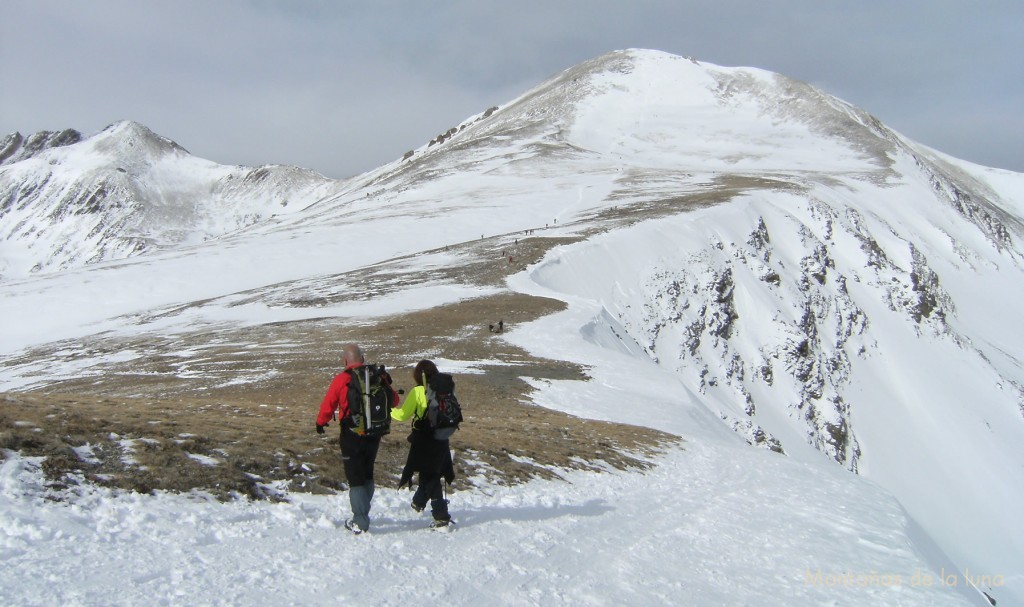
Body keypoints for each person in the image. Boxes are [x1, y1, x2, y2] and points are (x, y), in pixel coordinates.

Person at [315, 343, 400, 534]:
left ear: (345, 360)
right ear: (362, 358)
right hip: (375, 432)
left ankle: (360, 522)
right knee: (367, 472)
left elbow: (329, 404)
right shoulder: (376, 377)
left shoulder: (342, 379)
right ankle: (363, 512)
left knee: (355, 477)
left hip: (351, 433)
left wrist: (321, 423)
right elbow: (394, 400)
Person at [391, 359, 455, 528]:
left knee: (430, 474)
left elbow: (403, 415)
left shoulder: (418, 391)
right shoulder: (444, 390)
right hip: (442, 437)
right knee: (431, 472)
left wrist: (388, 409)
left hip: (424, 437)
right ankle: (419, 501)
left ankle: (441, 515)